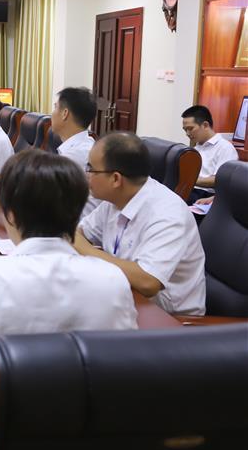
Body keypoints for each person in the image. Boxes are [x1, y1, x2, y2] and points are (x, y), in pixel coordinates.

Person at [0, 149, 137, 450]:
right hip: (88, 446)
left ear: (10, 214)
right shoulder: (113, 280)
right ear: (77, 214)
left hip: (1, 447)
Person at [75, 131, 206, 315]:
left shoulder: (168, 213)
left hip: (169, 318)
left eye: (91, 169)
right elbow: (79, 232)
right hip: (126, 297)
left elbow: (148, 282)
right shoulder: (116, 199)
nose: (86, 175)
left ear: (115, 179)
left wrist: (87, 250)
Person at [0, 87, 100, 211]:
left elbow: (32, 187)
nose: (52, 113)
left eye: (55, 107)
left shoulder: (77, 154)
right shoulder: (79, 147)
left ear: (65, 114)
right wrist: (1, 181)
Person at [181, 105, 239, 203]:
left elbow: (221, 180)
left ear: (205, 125)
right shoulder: (196, 148)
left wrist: (190, 180)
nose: (187, 133)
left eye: (190, 128)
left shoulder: (225, 148)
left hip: (206, 194)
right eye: (185, 130)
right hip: (190, 189)